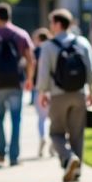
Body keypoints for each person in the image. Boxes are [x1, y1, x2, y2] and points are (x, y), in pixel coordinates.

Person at [36, 8, 92, 182]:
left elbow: (43, 73)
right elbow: (91, 70)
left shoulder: (48, 46)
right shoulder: (82, 42)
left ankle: (68, 157)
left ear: (57, 24)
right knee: (77, 134)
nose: (50, 26)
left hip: (58, 95)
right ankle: (77, 170)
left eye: (51, 23)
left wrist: (42, 92)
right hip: (79, 94)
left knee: (56, 133)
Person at [0, 2, 35, 166]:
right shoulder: (21, 34)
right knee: (16, 119)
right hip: (16, 83)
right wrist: (30, 79)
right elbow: (31, 60)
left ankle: (0, 152)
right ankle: (14, 156)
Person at [31, 27, 54, 158]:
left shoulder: (36, 51)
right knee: (53, 119)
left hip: (39, 88)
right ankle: (53, 143)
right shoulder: (53, 49)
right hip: (53, 89)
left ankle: (43, 136)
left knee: (42, 118)